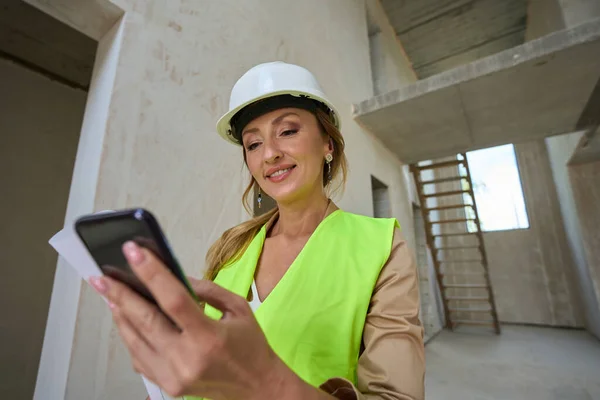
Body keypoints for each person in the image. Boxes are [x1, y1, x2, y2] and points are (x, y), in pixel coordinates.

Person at [89, 61, 425, 400]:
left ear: (328, 145)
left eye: (288, 131)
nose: (270, 154)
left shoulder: (381, 246)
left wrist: (267, 382)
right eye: (253, 144)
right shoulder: (232, 245)